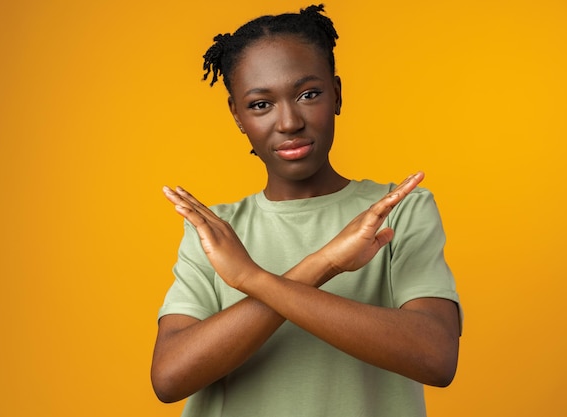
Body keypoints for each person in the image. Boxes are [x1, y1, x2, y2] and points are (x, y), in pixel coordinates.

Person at [151, 4, 462, 416]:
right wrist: (324, 264)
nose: (289, 121)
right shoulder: (215, 233)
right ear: (237, 116)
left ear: (337, 93)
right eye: (261, 104)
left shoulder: (397, 210)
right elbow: (170, 377)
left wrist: (250, 278)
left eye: (308, 94)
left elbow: (435, 355)